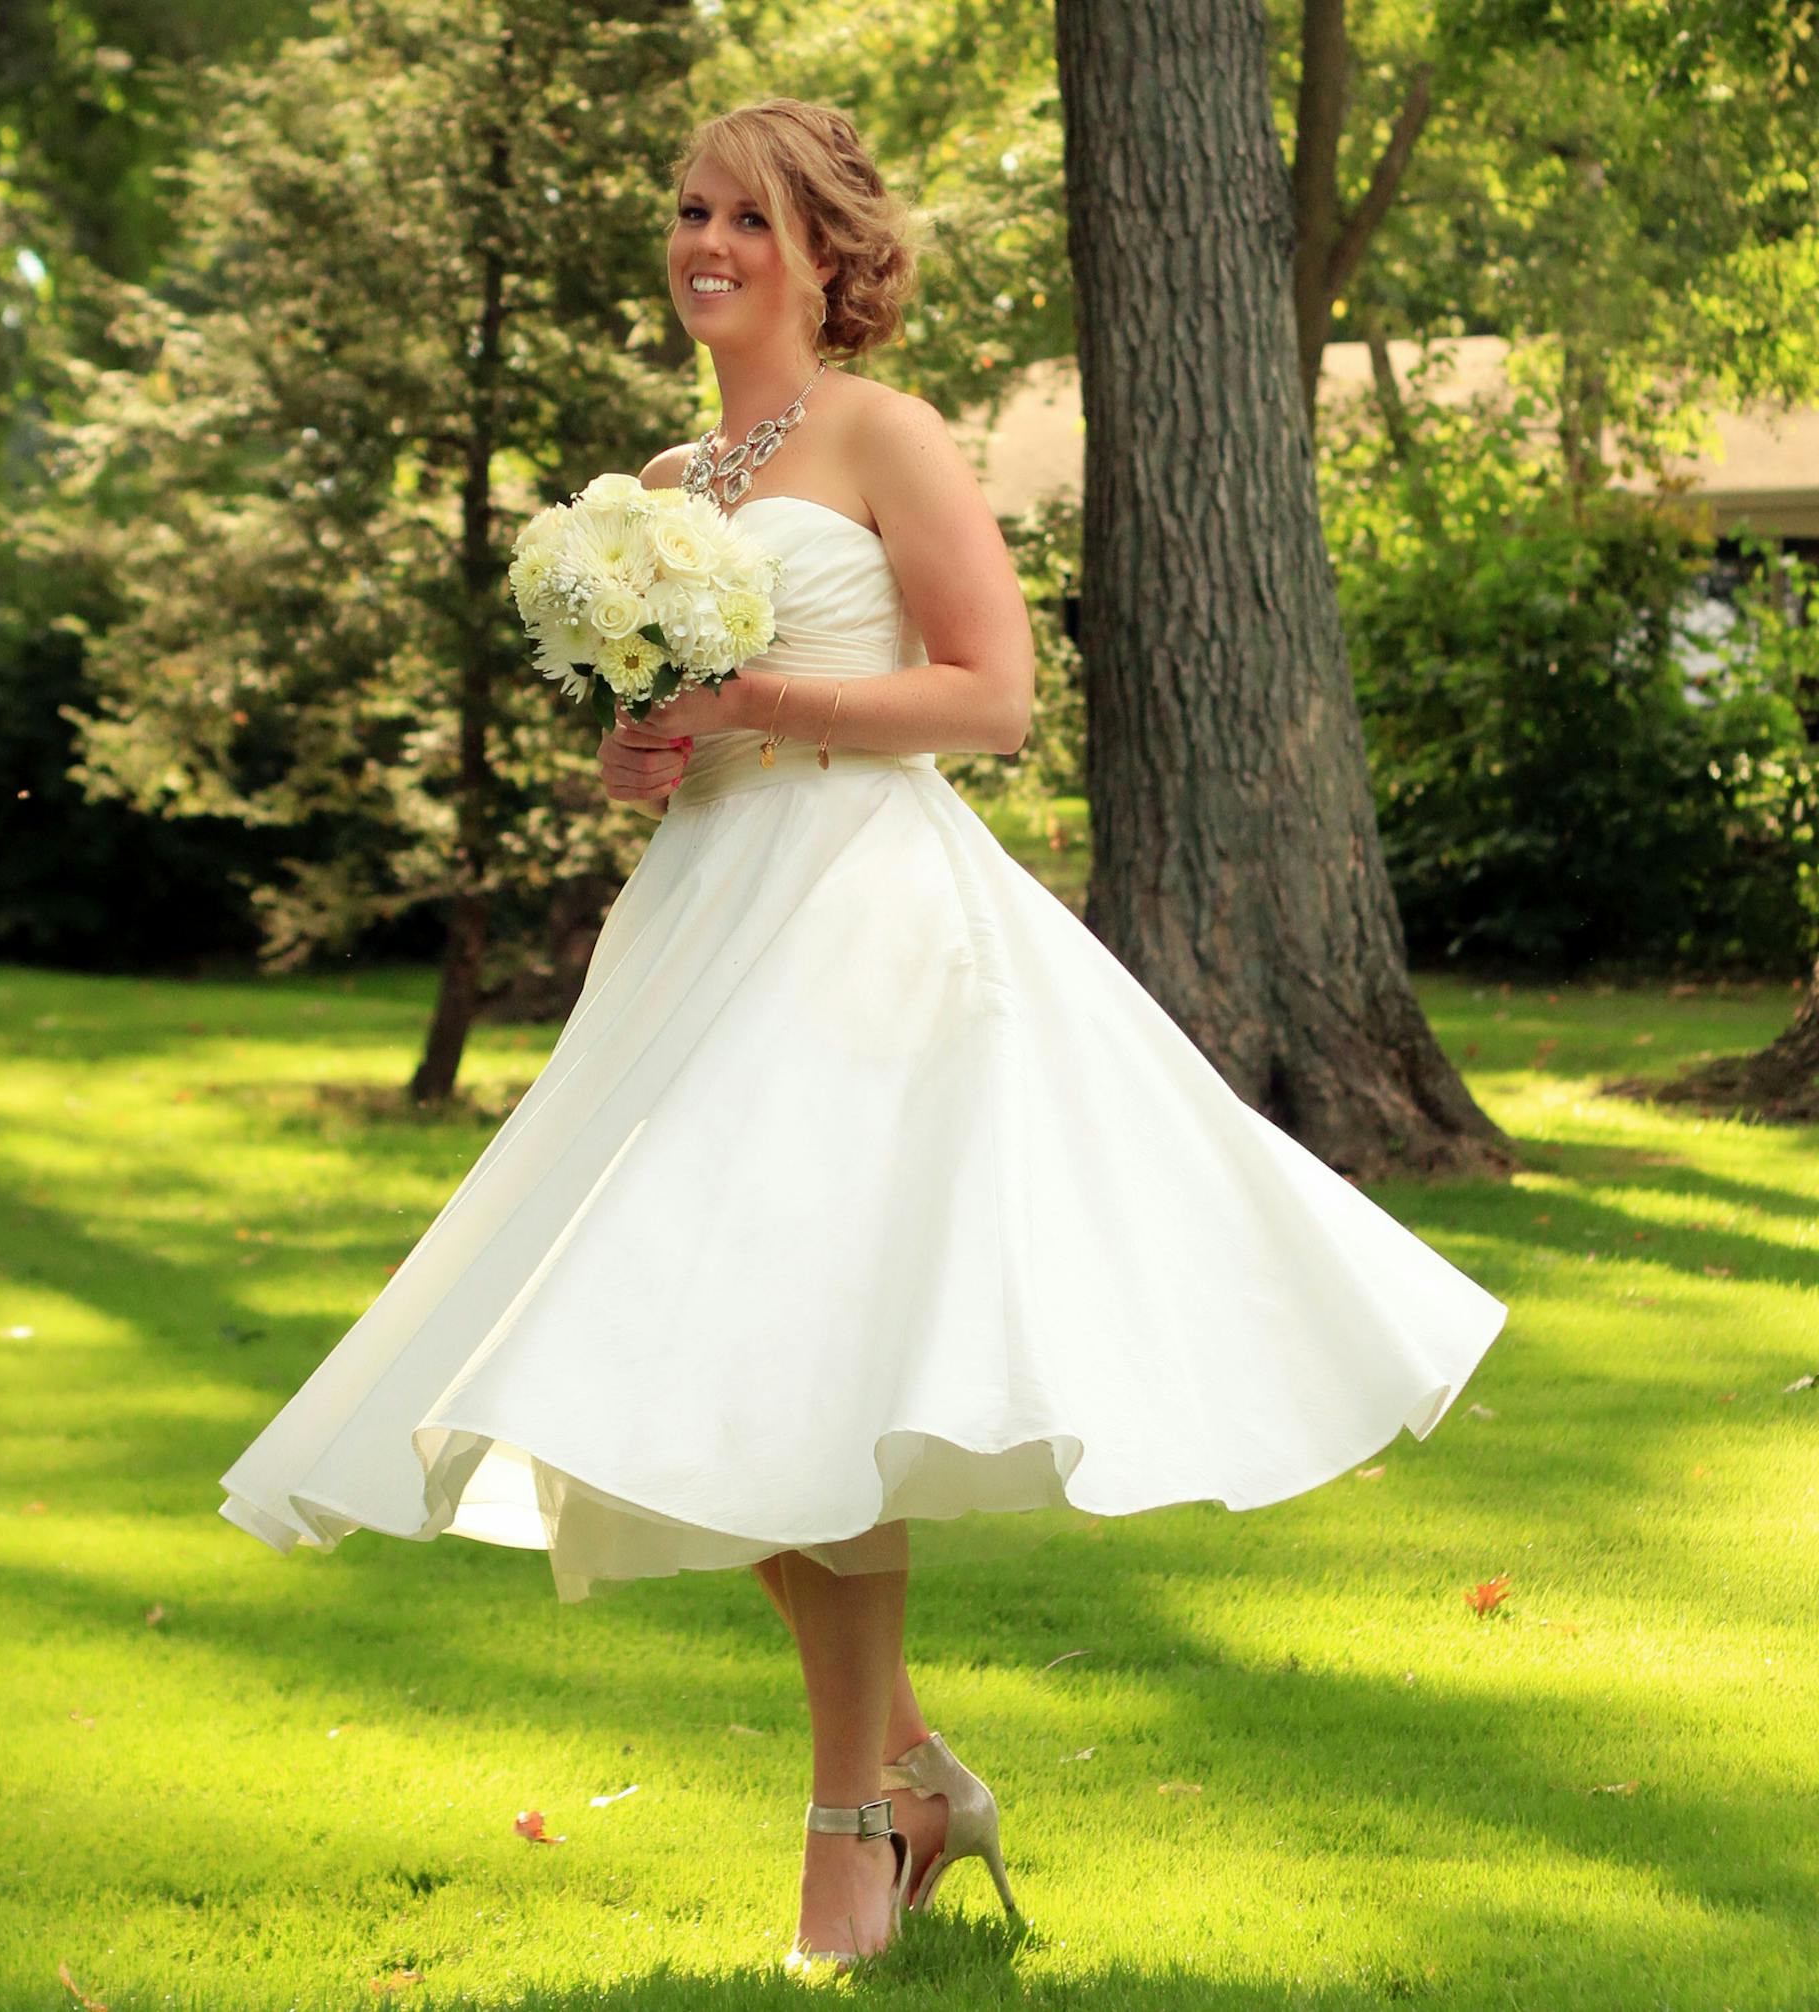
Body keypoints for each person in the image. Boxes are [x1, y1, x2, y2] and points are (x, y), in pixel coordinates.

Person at [218, 97, 1509, 1976]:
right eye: (688, 210)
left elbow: (991, 698)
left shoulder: (884, 435)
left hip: (865, 933)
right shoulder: (665, 479)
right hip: (701, 925)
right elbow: (672, 741)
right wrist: (642, 744)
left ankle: (849, 1833)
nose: (708, 243)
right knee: (697, 1356)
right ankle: (911, 1772)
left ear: (829, 253)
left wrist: (759, 695)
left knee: (805, 1357)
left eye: (748, 215)